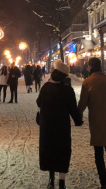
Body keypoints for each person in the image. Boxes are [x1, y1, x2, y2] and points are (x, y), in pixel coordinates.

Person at [78, 57, 106, 189]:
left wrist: (78, 116)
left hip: (96, 120)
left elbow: (82, 103)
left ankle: (103, 182)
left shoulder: (87, 82)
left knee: (98, 151)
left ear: (90, 67)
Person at [37, 59, 83, 189]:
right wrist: (78, 121)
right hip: (62, 126)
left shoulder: (46, 87)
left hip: (47, 125)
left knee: (50, 150)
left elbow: (38, 102)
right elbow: (73, 109)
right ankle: (62, 182)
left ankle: (51, 181)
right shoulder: (68, 90)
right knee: (62, 151)